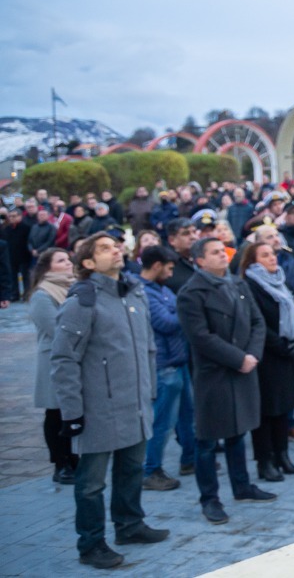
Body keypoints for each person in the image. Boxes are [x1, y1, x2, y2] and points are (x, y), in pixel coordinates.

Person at [50, 233, 168, 569]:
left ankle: (129, 525)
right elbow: (63, 358)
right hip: (98, 408)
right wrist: (72, 412)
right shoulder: (82, 301)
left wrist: (149, 389)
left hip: (135, 403)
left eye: (115, 245)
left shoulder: (133, 293)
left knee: (131, 469)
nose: (115, 249)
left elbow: (148, 347)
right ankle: (91, 544)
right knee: (91, 483)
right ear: (88, 263)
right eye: (104, 248)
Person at [176, 237, 276, 524]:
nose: (223, 255)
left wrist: (252, 355)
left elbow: (257, 322)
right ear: (200, 260)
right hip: (215, 373)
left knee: (238, 431)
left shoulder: (238, 284)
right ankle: (210, 499)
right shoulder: (191, 293)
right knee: (207, 440)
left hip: (244, 367)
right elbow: (200, 337)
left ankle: (242, 486)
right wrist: (238, 358)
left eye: (224, 251)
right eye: (215, 252)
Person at [240, 242, 294, 480]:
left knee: (284, 407)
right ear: (253, 261)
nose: (272, 258)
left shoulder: (281, 280)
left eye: (273, 254)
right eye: (265, 255)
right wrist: (279, 344)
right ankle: (265, 460)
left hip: (288, 354)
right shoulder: (249, 285)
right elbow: (256, 322)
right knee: (266, 410)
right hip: (267, 355)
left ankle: (282, 454)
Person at [139, 246, 196, 491]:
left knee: (187, 416)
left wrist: (177, 311)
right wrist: (184, 312)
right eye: (169, 269)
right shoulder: (143, 291)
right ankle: (151, 470)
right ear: (156, 266)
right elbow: (165, 322)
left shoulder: (161, 289)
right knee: (162, 421)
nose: (172, 274)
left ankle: (190, 459)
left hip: (178, 360)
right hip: (164, 365)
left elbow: (174, 312)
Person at [28, 247, 79, 483]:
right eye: (61, 260)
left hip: (75, 357)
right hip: (53, 359)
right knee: (55, 411)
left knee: (71, 409)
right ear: (48, 267)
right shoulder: (42, 294)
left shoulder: (74, 287)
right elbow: (56, 329)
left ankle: (74, 457)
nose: (68, 263)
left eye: (68, 259)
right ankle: (60, 463)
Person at [163, 218, 198, 294]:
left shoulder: (203, 258)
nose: (193, 237)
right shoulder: (165, 263)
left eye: (194, 232)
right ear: (172, 240)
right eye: (186, 234)